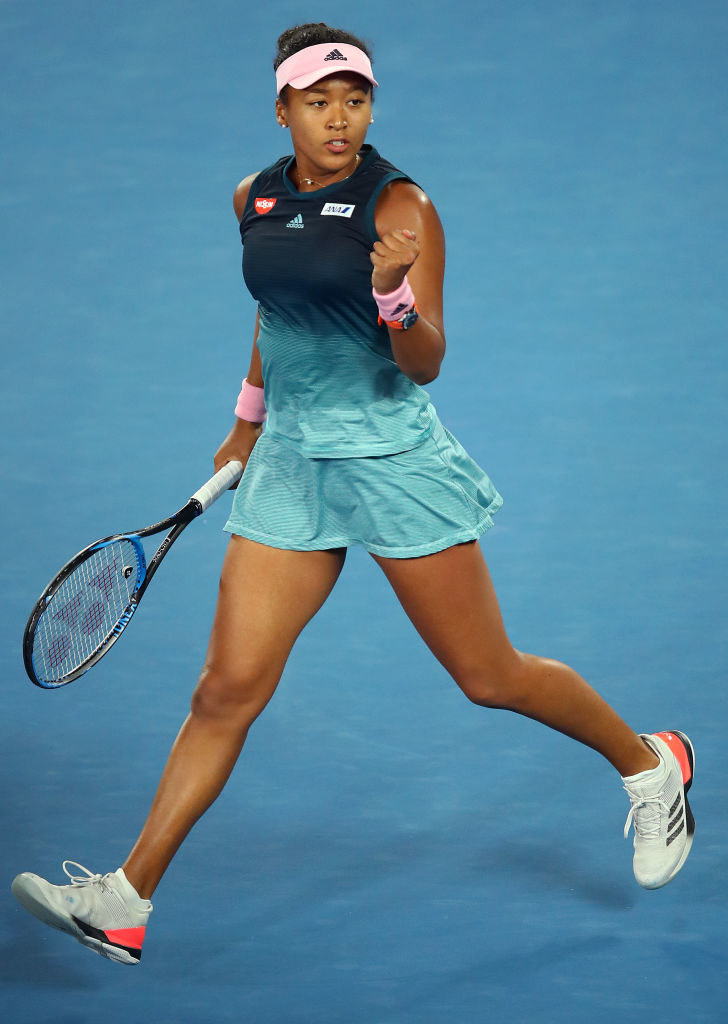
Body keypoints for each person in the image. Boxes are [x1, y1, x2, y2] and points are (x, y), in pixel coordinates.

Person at [12, 22, 695, 966]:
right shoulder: (254, 197)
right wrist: (249, 418)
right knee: (225, 690)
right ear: (284, 108)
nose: (340, 119)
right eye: (320, 102)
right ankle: (126, 899)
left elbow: (426, 365)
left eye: (356, 100)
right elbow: (273, 307)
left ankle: (652, 764)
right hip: (292, 466)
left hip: (389, 462)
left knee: (487, 676)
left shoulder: (400, 205)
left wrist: (393, 296)